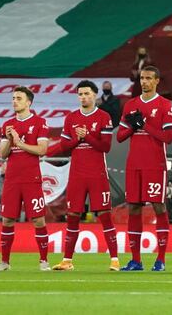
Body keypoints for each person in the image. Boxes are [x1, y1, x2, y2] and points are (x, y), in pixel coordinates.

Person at [51, 80, 119, 272]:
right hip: (77, 174)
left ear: (95, 95)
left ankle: (114, 260)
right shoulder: (71, 118)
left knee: (105, 215)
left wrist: (86, 136)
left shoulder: (104, 116)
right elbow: (64, 147)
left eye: (87, 93)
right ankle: (67, 260)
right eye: (80, 94)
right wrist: (78, 138)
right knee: (72, 215)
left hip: (97, 173)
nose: (83, 97)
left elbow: (105, 147)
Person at [116, 66, 172, 272]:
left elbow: (168, 137)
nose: (144, 82)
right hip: (134, 165)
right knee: (133, 207)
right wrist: (134, 126)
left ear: (157, 80)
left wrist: (145, 125)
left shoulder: (164, 104)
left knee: (159, 207)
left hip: (155, 165)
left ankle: (160, 259)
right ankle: (136, 261)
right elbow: (120, 136)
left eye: (149, 78)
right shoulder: (131, 105)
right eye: (142, 78)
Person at [0, 87, 51, 272]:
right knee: (7, 220)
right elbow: (2, 155)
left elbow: (42, 150)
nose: (14, 101)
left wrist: (20, 143)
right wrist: (10, 140)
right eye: (13, 98)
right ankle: (4, 262)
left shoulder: (40, 122)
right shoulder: (7, 125)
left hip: (31, 178)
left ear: (28, 102)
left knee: (38, 220)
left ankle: (43, 261)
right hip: (11, 180)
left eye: (19, 98)